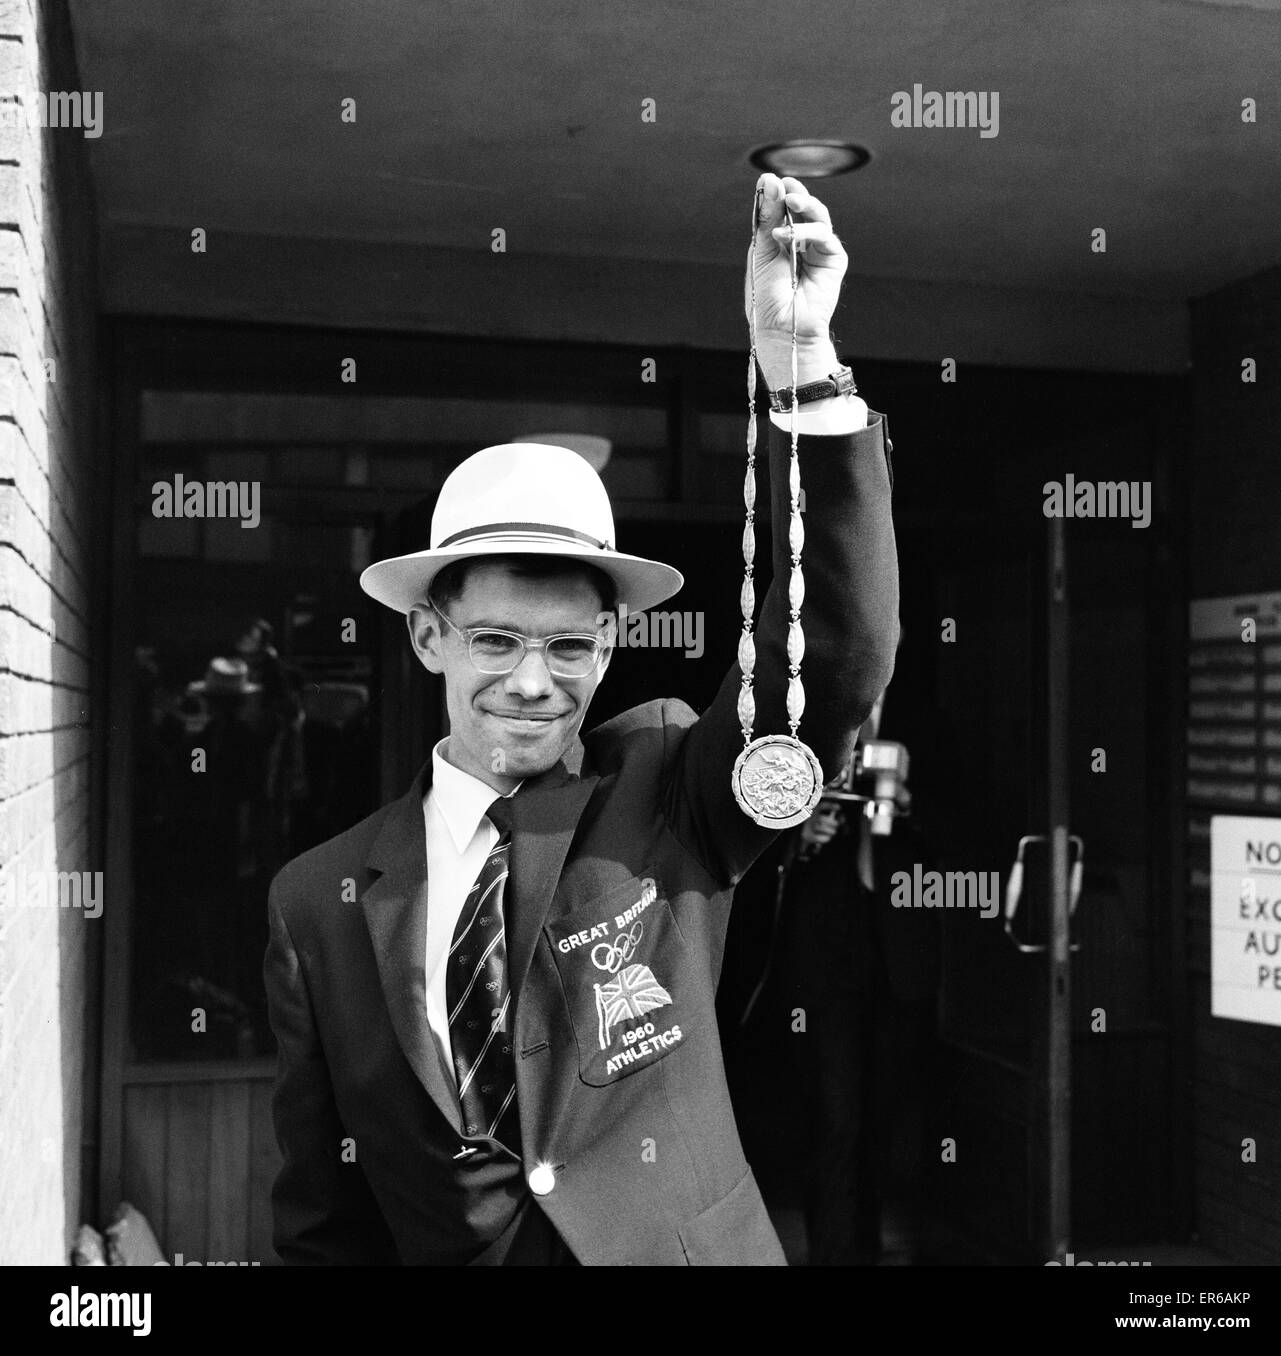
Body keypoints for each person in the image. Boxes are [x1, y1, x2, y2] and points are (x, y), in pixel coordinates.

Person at [263, 174, 900, 1265]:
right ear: (428, 640)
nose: (530, 681)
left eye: (567, 647)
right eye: (495, 641)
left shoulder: (667, 788)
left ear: (607, 648)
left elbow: (829, 662)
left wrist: (798, 366)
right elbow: (328, 1216)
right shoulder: (317, 902)